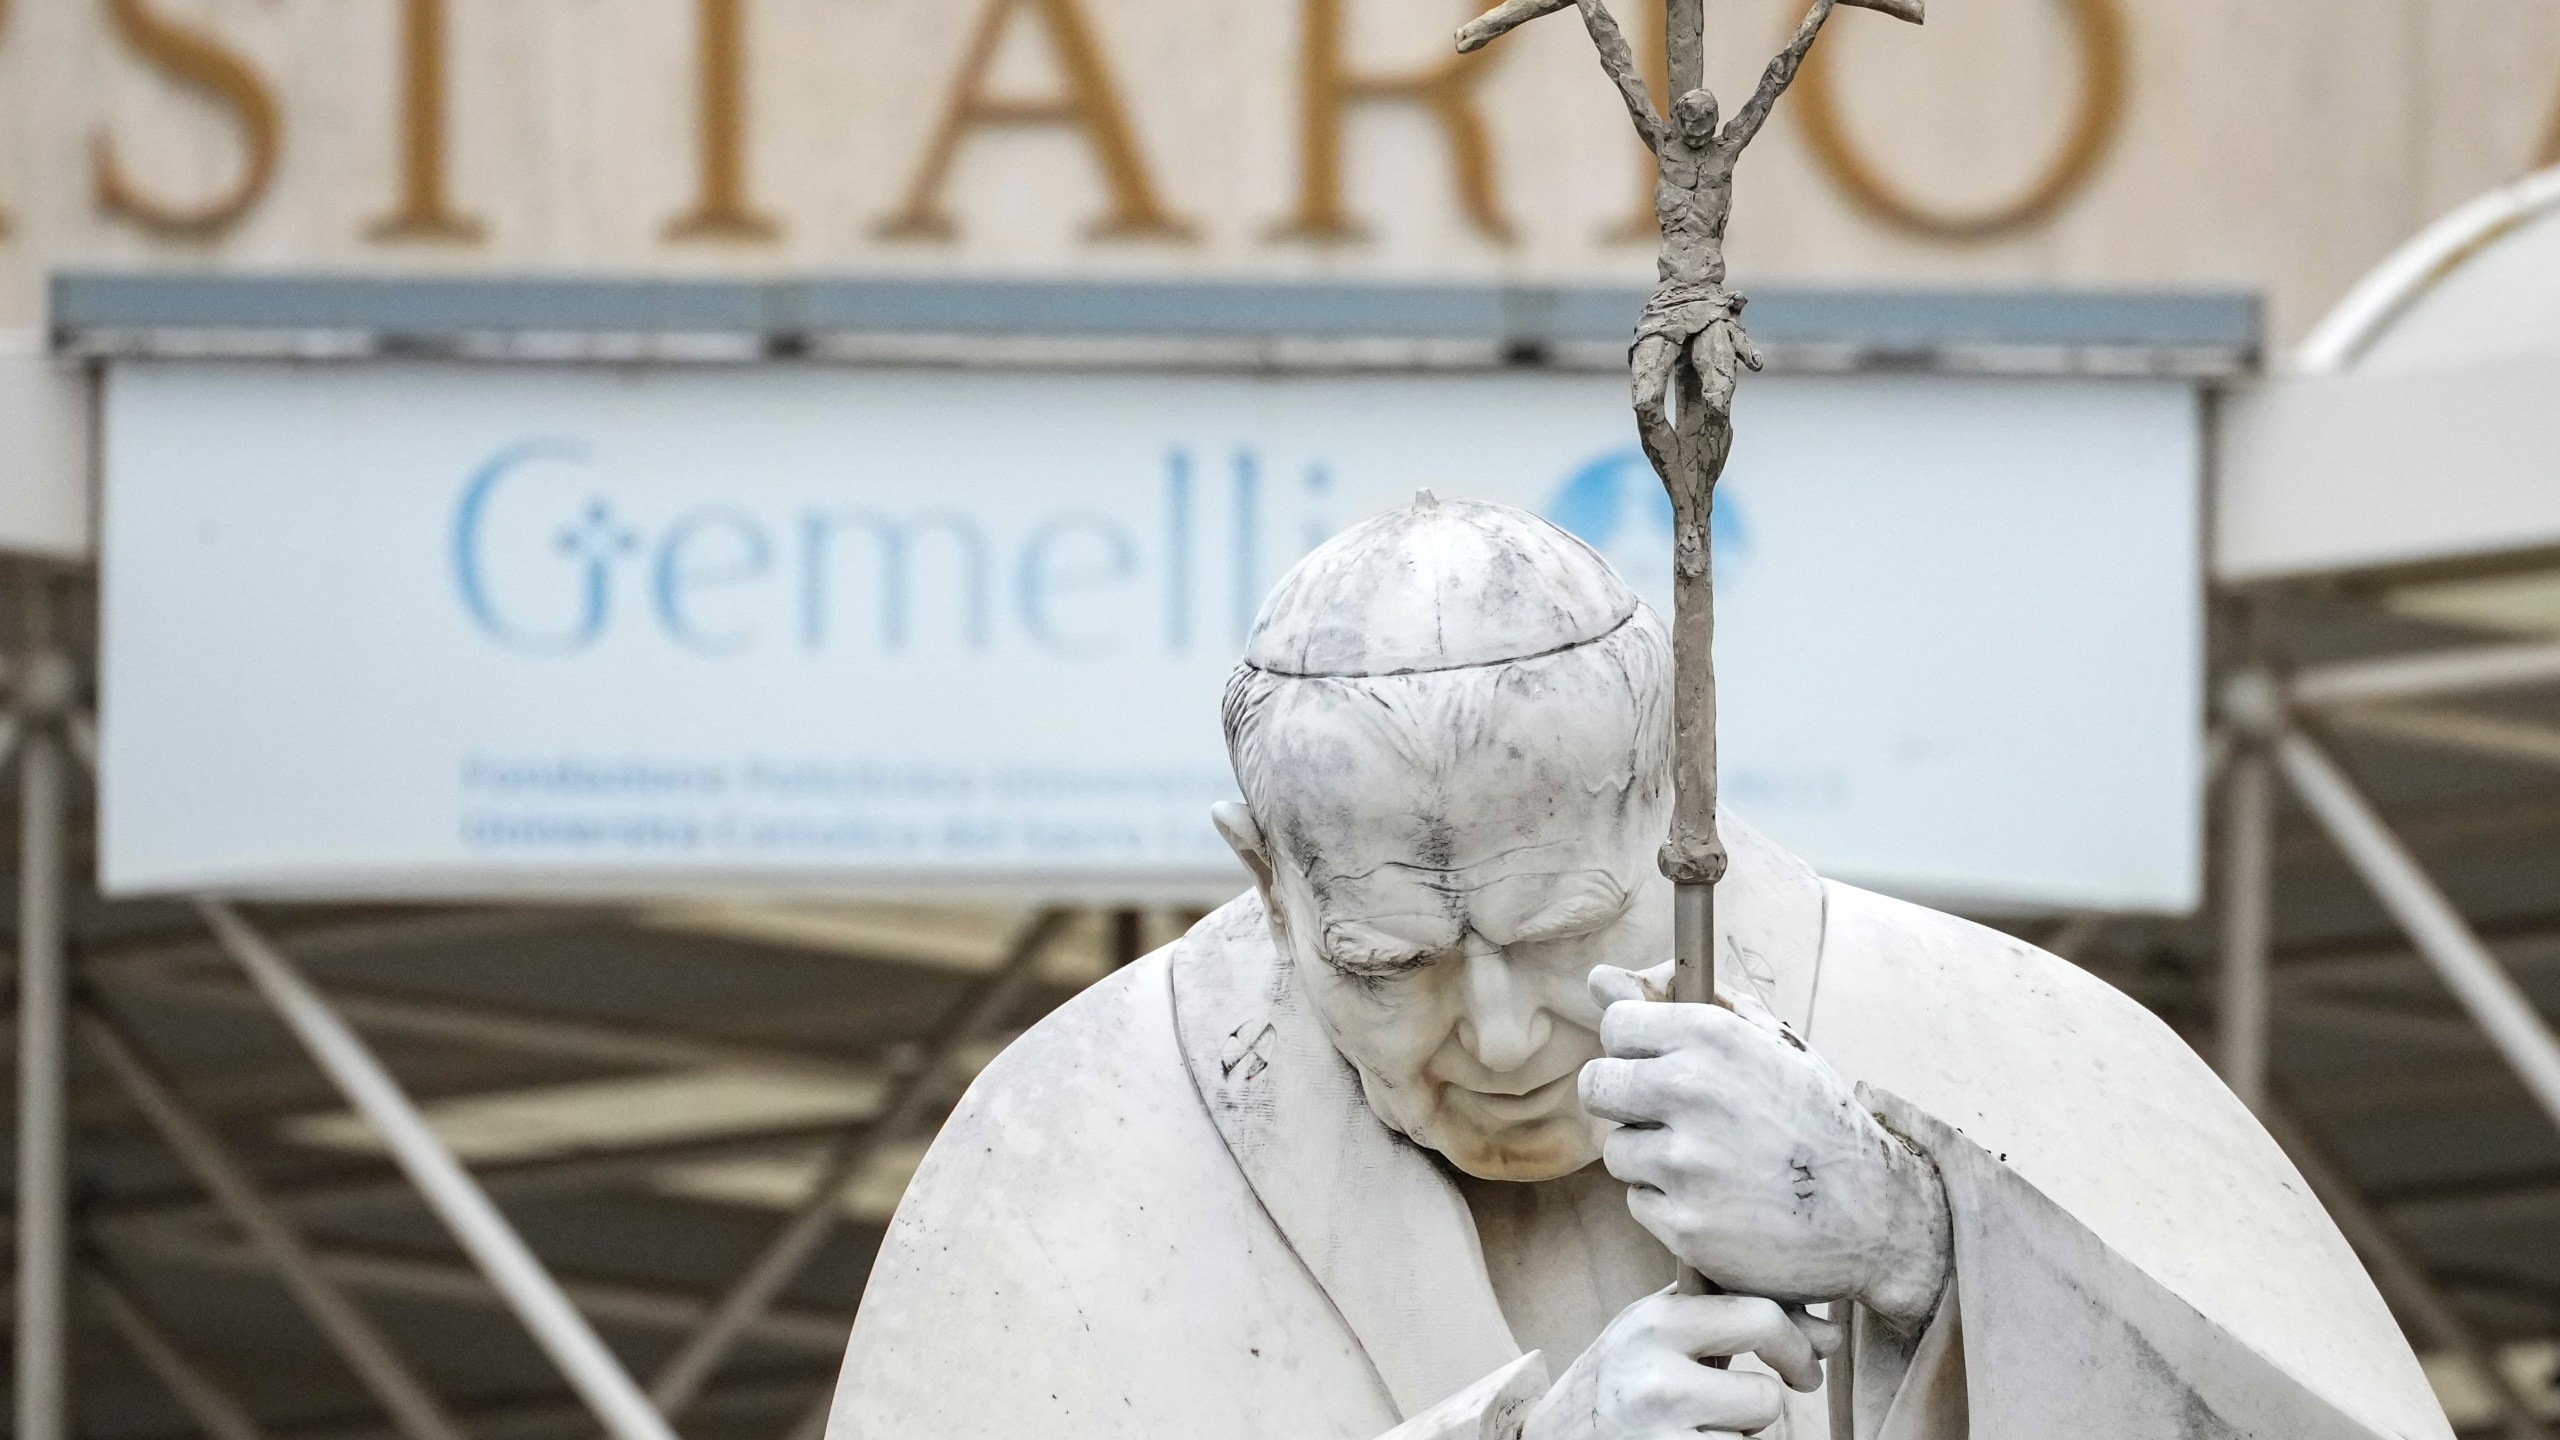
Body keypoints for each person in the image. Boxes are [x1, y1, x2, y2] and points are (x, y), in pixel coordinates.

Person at [825, 496, 2447, 1440]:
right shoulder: (1059, 1150)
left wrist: (1928, 1253)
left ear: (1680, 810)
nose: (1505, 1032)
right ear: (1266, 875)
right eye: (1392, 967)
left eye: (1553, 934)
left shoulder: (2005, 1042)